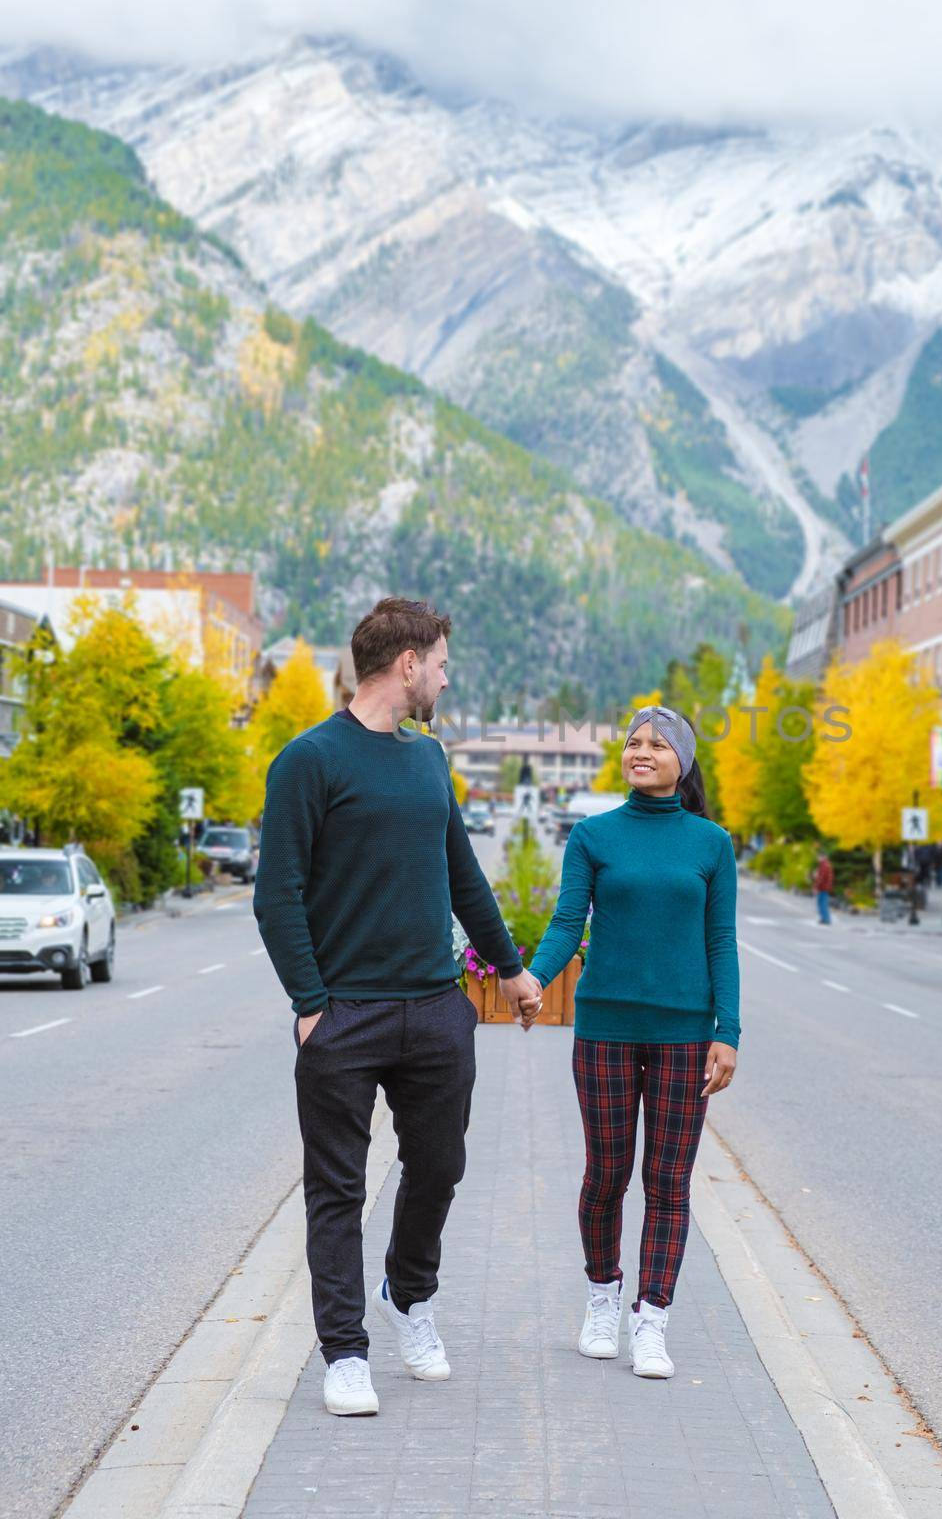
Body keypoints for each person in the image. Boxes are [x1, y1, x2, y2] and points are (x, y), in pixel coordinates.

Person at [254, 597, 543, 1418]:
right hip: (345, 1016)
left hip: (436, 1010)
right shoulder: (308, 761)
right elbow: (277, 897)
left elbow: (464, 878)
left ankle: (408, 1296)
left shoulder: (427, 761)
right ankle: (345, 1351)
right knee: (336, 1190)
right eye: (442, 662)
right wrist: (313, 1008)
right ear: (407, 663)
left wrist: (515, 972)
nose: (447, 676)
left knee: (440, 1168)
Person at [527, 705, 739, 1382]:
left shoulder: (711, 844)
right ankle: (602, 1298)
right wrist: (532, 978)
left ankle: (653, 1319)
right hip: (606, 1030)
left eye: (656, 744)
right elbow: (567, 922)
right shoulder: (592, 836)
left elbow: (720, 945)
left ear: (683, 759)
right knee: (606, 1176)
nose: (640, 751)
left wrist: (726, 1033)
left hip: (684, 1034)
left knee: (668, 1184)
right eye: (632, 742)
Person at [812, 848, 835, 924]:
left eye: (818, 857)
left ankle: (825, 919)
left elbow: (821, 878)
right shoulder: (826, 864)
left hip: (823, 887)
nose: (817, 858)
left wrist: (815, 887)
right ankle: (824, 918)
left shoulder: (824, 865)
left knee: (822, 903)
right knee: (822, 902)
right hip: (826, 887)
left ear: (823, 857)